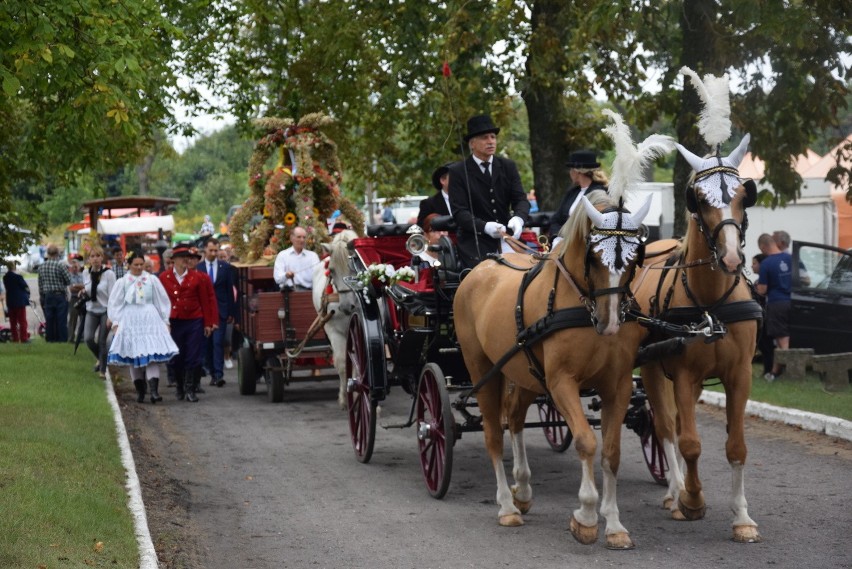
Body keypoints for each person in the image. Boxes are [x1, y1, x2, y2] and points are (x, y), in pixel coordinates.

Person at [447, 114, 530, 268]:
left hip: (508, 238)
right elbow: (459, 212)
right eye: (485, 137)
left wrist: (519, 218)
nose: (491, 141)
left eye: (493, 137)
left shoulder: (507, 166)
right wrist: (484, 227)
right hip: (475, 241)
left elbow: (521, 200)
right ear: (472, 143)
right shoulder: (458, 171)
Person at [107, 249, 179, 404]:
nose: (139, 268)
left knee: (151, 354)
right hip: (131, 319)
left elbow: (162, 300)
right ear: (129, 264)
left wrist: (165, 320)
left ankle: (154, 391)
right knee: (134, 356)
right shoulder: (123, 282)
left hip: (149, 318)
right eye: (136, 265)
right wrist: (116, 323)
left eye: (142, 264)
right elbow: (115, 303)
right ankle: (140, 390)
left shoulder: (152, 280)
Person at [160, 243, 219, 402]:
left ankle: (190, 389)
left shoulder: (198, 277)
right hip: (174, 321)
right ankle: (179, 387)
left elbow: (205, 301)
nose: (186, 260)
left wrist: (208, 323)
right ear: (174, 260)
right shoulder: (164, 277)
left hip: (194, 320)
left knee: (193, 355)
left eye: (188, 257)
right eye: (182, 258)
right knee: (177, 356)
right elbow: (160, 301)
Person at [197, 237, 238, 387]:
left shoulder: (225, 267)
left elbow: (229, 290)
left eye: (216, 250)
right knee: (207, 344)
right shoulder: (199, 268)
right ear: (205, 250)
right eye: (211, 250)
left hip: (220, 311)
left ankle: (219, 375)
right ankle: (211, 371)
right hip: (203, 312)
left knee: (218, 342)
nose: (213, 253)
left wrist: (231, 313)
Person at [549, 150, 609, 242]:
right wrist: (556, 237)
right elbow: (556, 220)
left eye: (570, 169)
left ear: (577, 172)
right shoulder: (572, 192)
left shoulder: (600, 194)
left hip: (587, 244)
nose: (570, 172)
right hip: (564, 242)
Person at [756, 233, 792, 382]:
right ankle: (775, 372)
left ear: (763, 246)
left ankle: (785, 373)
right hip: (792, 301)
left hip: (776, 303)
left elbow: (762, 290)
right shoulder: (790, 258)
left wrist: (756, 288)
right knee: (785, 339)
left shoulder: (766, 264)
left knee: (782, 341)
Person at [80, 248, 117, 378]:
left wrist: (112, 315)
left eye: (98, 256)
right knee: (88, 339)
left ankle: (102, 371)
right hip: (91, 309)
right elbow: (87, 287)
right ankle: (101, 359)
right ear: (89, 259)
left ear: (102, 258)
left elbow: (113, 295)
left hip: (105, 310)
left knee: (102, 340)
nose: (95, 258)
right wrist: (84, 291)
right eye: (92, 256)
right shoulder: (86, 272)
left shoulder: (109, 274)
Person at [37, 244, 72, 342]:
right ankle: (62, 339)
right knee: (61, 319)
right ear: (57, 253)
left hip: (47, 295)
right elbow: (68, 280)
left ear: (47, 253)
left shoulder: (42, 266)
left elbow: (40, 283)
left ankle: (50, 339)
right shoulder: (60, 265)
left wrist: (41, 296)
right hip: (59, 295)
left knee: (50, 319)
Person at [273, 226, 320, 290]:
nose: (302, 240)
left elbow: (318, 277)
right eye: (299, 237)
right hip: (288, 294)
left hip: (308, 293)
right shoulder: (282, 255)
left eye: (304, 237)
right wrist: (286, 275)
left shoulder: (313, 256)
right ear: (291, 238)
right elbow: (278, 279)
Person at [751, 253, 775, 377]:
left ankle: (769, 370)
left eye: (754, 263)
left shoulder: (763, 282)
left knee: (766, 344)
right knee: (762, 344)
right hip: (760, 316)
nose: (751, 266)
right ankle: (767, 369)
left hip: (765, 316)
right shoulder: (757, 281)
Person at [417, 163, 453, 229]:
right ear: (443, 180)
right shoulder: (428, 204)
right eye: (456, 177)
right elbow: (422, 230)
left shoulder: (469, 200)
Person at [3, 261, 30, 342]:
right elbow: (25, 287)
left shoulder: (5, 277)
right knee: (22, 321)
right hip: (20, 301)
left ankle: (15, 338)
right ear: (14, 267)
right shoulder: (18, 277)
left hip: (10, 301)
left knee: (13, 321)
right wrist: (27, 294)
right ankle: (24, 338)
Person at [67, 255, 85, 343]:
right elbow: (71, 289)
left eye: (76, 267)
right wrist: (80, 287)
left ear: (79, 267)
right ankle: (71, 338)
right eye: (73, 267)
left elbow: (85, 286)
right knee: (72, 319)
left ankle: (81, 337)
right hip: (73, 299)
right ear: (70, 268)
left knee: (83, 319)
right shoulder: (69, 276)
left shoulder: (82, 275)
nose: (74, 268)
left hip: (82, 299)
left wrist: (75, 286)